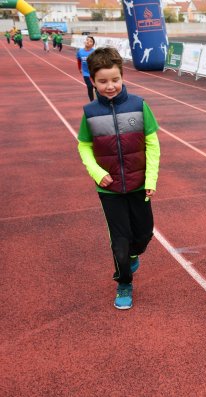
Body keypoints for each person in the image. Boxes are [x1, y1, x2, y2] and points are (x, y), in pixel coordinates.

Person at [76, 47, 161, 310]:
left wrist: (151, 179)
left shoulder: (139, 105)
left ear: (122, 76)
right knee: (120, 244)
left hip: (138, 185)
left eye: (115, 79)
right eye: (102, 81)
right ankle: (124, 282)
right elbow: (84, 146)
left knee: (145, 234)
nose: (110, 86)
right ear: (93, 81)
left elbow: (152, 143)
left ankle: (134, 254)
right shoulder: (90, 113)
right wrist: (97, 172)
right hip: (109, 189)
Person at [77, 36, 96, 101]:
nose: (88, 41)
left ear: (92, 45)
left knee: (96, 87)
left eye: (90, 41)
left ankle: (99, 100)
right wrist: (79, 68)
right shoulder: (80, 51)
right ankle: (92, 101)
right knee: (90, 86)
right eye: (87, 40)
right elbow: (79, 60)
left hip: (94, 72)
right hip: (86, 73)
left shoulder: (94, 52)